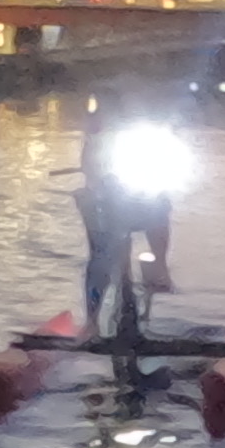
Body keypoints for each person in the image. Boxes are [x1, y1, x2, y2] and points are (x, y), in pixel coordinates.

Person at [79, 99, 180, 332]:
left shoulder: (145, 137)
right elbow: (89, 173)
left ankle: (159, 271)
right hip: (104, 205)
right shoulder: (96, 136)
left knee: (159, 207)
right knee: (102, 256)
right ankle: (91, 324)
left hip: (137, 199)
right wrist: (93, 192)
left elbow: (161, 172)